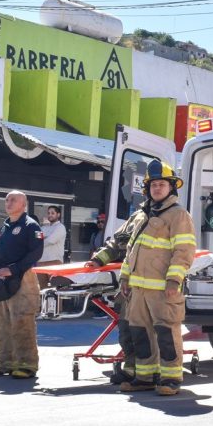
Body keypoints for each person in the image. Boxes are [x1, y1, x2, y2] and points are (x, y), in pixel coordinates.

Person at [118, 160, 195, 397]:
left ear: (171, 187)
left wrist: (174, 280)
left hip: (163, 288)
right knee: (140, 333)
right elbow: (132, 248)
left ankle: (171, 378)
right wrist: (124, 277)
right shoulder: (142, 216)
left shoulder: (178, 215)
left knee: (167, 333)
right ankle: (145, 377)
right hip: (138, 289)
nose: (157, 188)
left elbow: (184, 251)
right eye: (153, 185)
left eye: (162, 184)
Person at [0, 191, 44, 379]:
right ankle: (5, 362)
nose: (8, 203)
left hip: (23, 279)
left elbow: (36, 253)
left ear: (23, 204)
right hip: (1, 281)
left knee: (22, 321)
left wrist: (13, 269)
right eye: (6, 200)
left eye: (13, 200)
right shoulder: (5, 225)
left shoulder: (30, 226)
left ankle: (26, 365)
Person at [86, 212, 139, 384]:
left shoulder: (171, 216)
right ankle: (131, 369)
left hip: (155, 287)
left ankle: (151, 372)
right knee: (126, 328)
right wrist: (98, 260)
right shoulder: (136, 217)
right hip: (129, 284)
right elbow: (116, 243)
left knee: (148, 331)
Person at [37, 205, 67, 288]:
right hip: (41, 262)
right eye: (49, 213)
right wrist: (44, 238)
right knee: (42, 289)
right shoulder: (43, 227)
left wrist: (43, 239)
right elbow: (35, 239)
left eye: (52, 213)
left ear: (58, 215)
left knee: (55, 289)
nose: (50, 215)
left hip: (54, 261)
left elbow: (51, 240)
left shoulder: (61, 227)